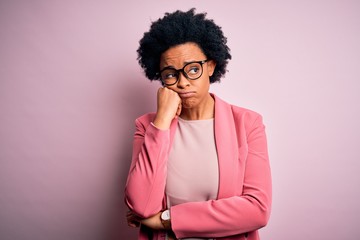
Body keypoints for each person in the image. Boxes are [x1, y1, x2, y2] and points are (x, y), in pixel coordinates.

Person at [124, 8, 271, 240]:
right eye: (171, 74)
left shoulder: (247, 124)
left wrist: (166, 218)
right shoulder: (147, 126)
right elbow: (140, 206)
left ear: (211, 67)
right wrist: (161, 121)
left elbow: (257, 210)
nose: (183, 83)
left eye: (193, 69)